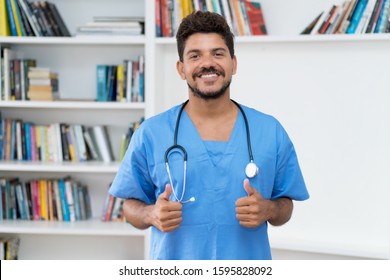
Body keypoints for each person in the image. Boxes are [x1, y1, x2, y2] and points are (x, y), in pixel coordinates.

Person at [109, 11, 309, 260]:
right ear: (181, 69)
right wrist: (151, 214)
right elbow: (130, 207)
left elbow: (286, 206)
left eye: (218, 53)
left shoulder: (270, 131)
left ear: (233, 64)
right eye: (195, 56)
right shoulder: (151, 133)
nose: (207, 63)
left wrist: (268, 209)